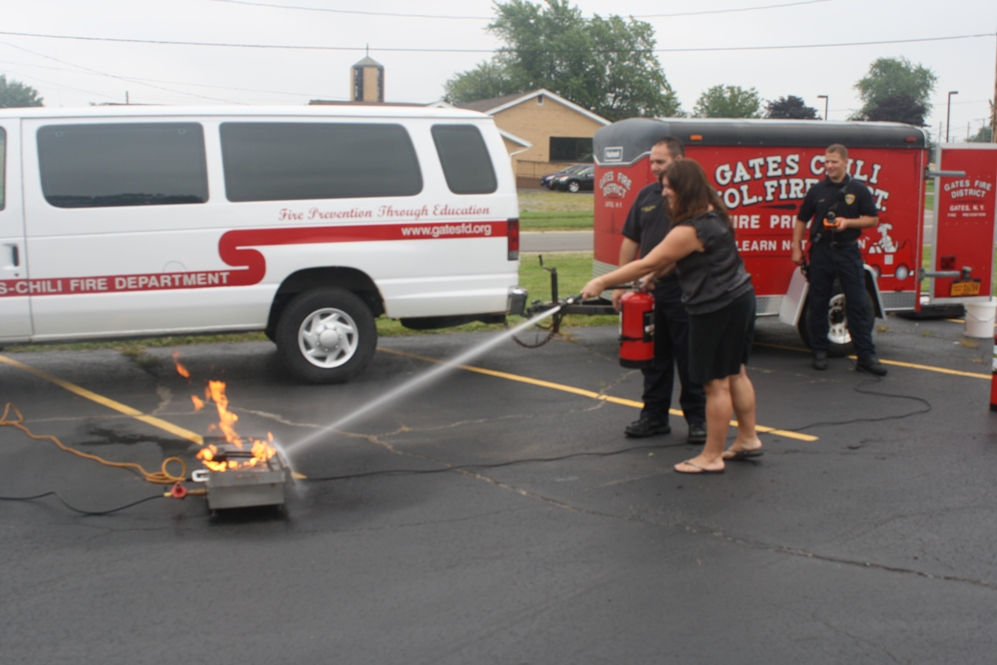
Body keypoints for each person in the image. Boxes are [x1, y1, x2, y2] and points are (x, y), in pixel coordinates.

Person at [581, 160, 762, 475]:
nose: (664, 193)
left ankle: (711, 456)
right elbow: (673, 261)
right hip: (740, 299)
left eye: (669, 188)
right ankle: (747, 439)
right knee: (736, 374)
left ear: (685, 189)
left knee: (715, 384)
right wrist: (656, 276)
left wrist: (602, 282)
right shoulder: (712, 213)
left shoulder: (690, 229)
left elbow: (645, 261)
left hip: (716, 308)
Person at [612, 137, 706, 443]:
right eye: (651, 161)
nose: (653, 168)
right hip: (651, 293)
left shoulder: (695, 200)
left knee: (690, 357)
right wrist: (620, 284)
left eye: (660, 162)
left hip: (686, 291)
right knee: (653, 357)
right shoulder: (646, 196)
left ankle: (698, 420)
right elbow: (630, 240)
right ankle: (653, 416)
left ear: (679, 161)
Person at [792, 144, 887, 376]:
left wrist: (847, 223)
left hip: (847, 251)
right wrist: (796, 247)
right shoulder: (817, 190)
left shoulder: (859, 190)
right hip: (822, 250)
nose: (829, 166)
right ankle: (819, 351)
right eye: (826, 161)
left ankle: (866, 356)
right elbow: (802, 219)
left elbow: (872, 220)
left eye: (834, 161)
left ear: (846, 162)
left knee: (856, 304)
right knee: (818, 301)